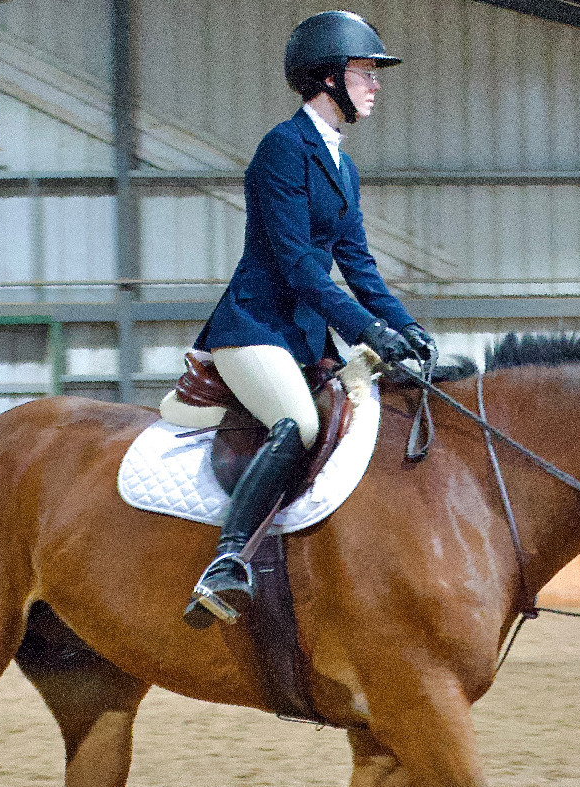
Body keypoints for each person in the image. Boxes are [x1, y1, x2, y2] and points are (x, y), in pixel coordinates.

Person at [181, 10, 436, 630]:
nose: (375, 84)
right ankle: (225, 562)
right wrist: (366, 331)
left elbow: (359, 265)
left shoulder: (342, 167)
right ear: (326, 78)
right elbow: (298, 265)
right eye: (364, 71)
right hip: (253, 329)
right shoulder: (282, 148)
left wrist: (407, 326)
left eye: (375, 73)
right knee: (295, 425)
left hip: (302, 336)